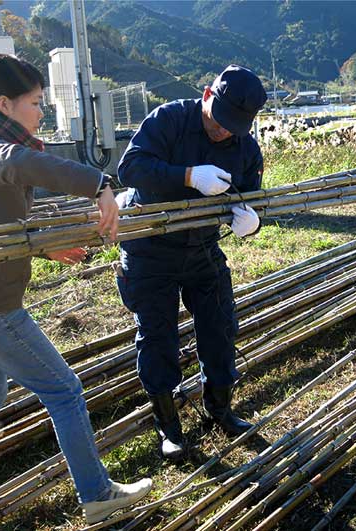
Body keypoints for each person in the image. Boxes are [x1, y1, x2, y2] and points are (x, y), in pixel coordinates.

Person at [0, 53, 152, 525]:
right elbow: (21, 165)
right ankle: (98, 493)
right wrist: (98, 183)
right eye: (34, 102)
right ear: (4, 104)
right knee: (64, 390)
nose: (41, 111)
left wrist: (42, 251)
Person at [116, 64, 267, 462]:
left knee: (220, 326)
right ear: (206, 96)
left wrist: (249, 223)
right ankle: (169, 428)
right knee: (157, 336)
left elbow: (252, 200)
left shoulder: (245, 148)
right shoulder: (169, 119)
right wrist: (187, 176)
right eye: (219, 121)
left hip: (202, 248)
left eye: (234, 126)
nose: (223, 131)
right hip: (149, 247)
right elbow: (129, 168)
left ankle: (220, 406)